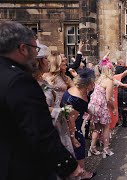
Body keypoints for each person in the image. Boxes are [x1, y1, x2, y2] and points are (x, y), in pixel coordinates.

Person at [0, 21, 81, 179]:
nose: (36, 58)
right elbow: (38, 131)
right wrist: (69, 165)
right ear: (23, 49)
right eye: (34, 49)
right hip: (20, 166)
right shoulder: (19, 81)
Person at [60, 68, 96, 179]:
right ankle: (80, 174)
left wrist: (88, 110)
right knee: (79, 146)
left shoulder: (79, 90)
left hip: (74, 122)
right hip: (72, 126)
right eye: (93, 82)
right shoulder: (76, 98)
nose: (94, 84)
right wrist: (73, 137)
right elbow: (70, 120)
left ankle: (77, 172)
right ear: (87, 84)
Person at [88, 60, 115, 158]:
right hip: (101, 106)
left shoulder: (99, 79)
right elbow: (108, 99)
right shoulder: (109, 81)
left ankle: (92, 148)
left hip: (93, 105)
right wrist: (113, 108)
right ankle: (106, 149)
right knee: (106, 127)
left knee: (97, 128)